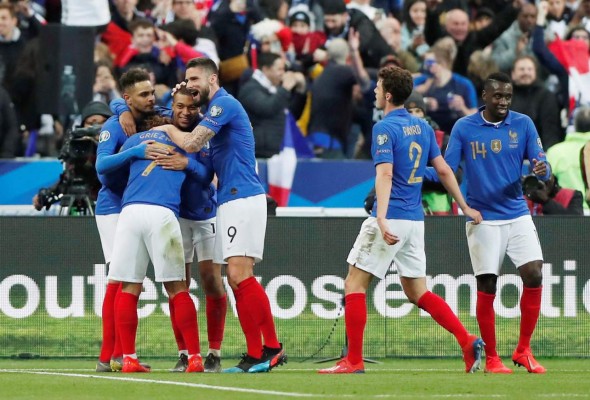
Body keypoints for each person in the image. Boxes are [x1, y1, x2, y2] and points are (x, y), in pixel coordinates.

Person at [318, 65, 484, 374]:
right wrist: (465, 206)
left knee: (354, 283)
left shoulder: (384, 127)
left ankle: (353, 360)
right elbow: (445, 171)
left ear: (389, 95)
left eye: (378, 87)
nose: (375, 92)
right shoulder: (421, 126)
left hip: (391, 218)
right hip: (414, 220)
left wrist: (380, 217)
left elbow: (385, 174)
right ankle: (467, 340)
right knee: (418, 292)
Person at [164, 57, 286, 373]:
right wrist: (175, 102)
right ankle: (258, 351)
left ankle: (270, 348)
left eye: (194, 79)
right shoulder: (216, 109)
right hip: (231, 200)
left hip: (242, 197)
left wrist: (165, 126)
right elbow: (189, 117)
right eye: (186, 80)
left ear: (212, 78)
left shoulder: (224, 105)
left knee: (239, 276)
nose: (189, 85)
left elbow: (191, 141)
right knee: (235, 279)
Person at [427, 72, 550, 374]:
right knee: (488, 284)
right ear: (484, 96)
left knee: (534, 274)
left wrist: (541, 168)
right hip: (482, 216)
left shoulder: (522, 124)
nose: (504, 101)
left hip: (517, 212)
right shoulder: (464, 127)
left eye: (508, 96)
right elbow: (450, 170)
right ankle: (493, 357)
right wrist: (425, 181)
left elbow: (542, 169)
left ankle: (523, 350)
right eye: (498, 96)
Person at [105, 114, 206, 373]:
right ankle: (194, 358)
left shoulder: (133, 142)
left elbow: (107, 174)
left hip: (130, 213)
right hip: (162, 214)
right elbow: (206, 176)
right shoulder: (183, 142)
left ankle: (128, 358)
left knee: (128, 288)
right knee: (177, 289)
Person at [152, 87, 227, 373]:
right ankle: (184, 353)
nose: (185, 112)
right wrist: (122, 110)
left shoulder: (208, 131)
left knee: (211, 281)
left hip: (207, 215)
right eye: (179, 106)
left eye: (191, 107)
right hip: (175, 217)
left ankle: (214, 352)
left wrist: (186, 164)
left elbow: (210, 175)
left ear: (200, 108)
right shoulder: (162, 122)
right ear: (172, 106)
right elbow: (123, 102)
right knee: (176, 286)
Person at [93, 68, 157, 372]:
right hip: (113, 208)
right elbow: (102, 166)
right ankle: (108, 356)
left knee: (129, 280)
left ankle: (119, 354)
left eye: (152, 92)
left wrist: (122, 107)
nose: (151, 98)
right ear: (128, 97)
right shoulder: (114, 126)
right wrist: (135, 151)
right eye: (144, 94)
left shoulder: (147, 117)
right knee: (117, 279)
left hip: (134, 206)